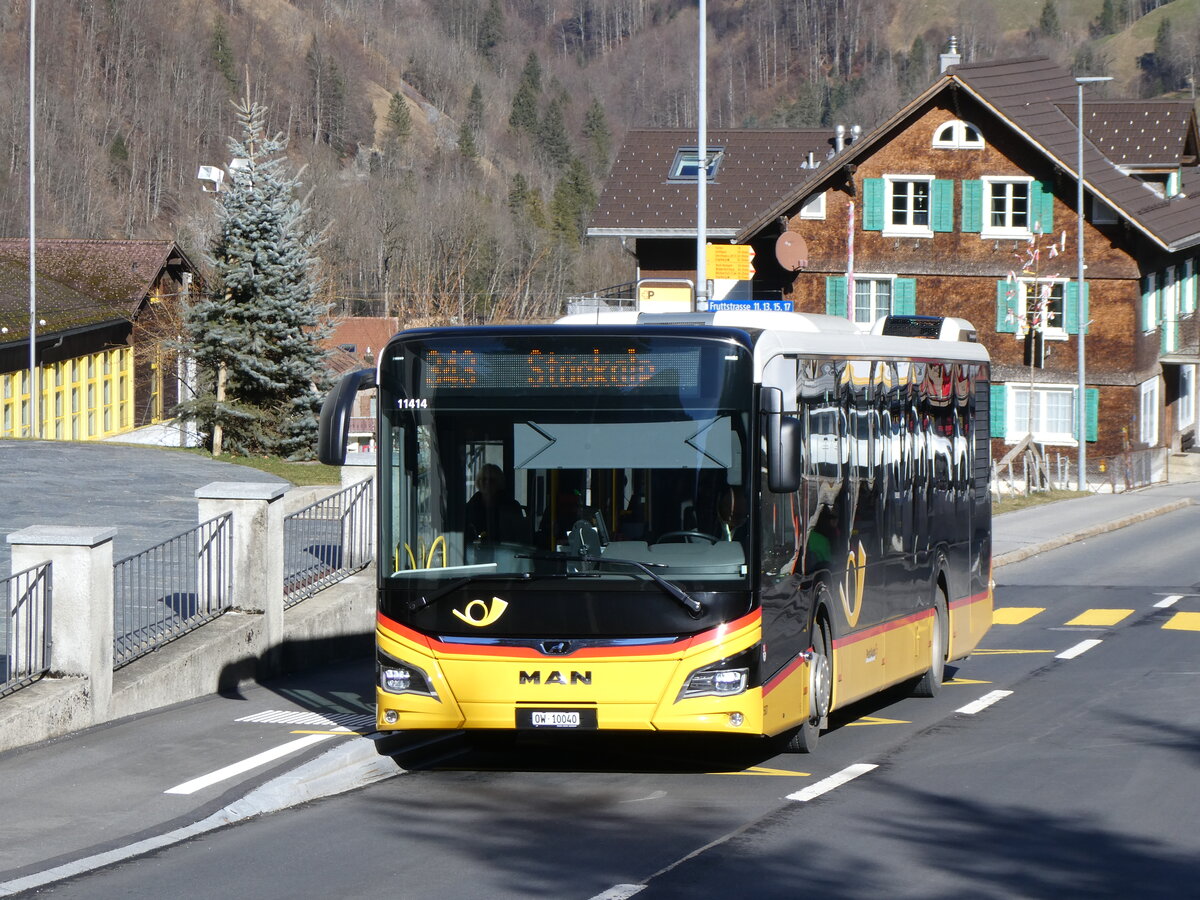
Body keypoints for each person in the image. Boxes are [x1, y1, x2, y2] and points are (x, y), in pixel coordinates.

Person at [465, 464, 527, 543]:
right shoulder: (469, 508)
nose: (487, 482)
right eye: (484, 479)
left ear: (499, 482)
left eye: (491, 480)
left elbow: (520, 537)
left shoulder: (512, 507)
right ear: (478, 482)